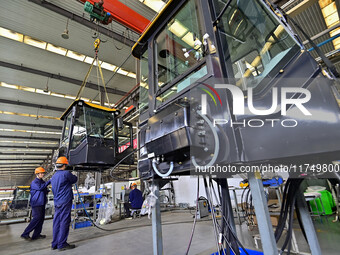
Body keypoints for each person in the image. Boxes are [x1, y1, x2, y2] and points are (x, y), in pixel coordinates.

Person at [50, 156, 77, 251]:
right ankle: (62, 244)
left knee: (57, 222)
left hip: (57, 202)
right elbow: (74, 179)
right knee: (64, 222)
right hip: (65, 201)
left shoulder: (53, 176)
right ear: (65, 165)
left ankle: (55, 244)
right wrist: (73, 173)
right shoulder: (66, 173)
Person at [21, 167, 50, 240]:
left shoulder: (42, 181)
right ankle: (25, 234)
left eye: (43, 173)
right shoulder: (34, 182)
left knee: (41, 219)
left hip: (42, 202)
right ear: (37, 174)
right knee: (36, 218)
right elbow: (40, 188)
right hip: (36, 203)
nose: (43, 174)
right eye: (41, 173)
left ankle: (36, 234)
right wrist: (49, 181)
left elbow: (44, 189)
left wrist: (47, 190)